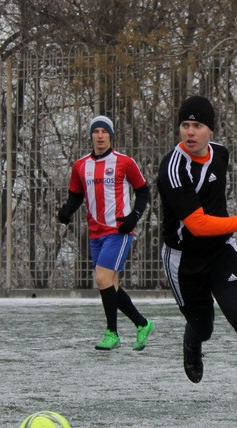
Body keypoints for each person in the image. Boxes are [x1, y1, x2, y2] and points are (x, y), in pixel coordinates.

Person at [155, 96, 237, 422]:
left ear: (211, 129)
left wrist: (231, 229)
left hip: (221, 252)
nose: (190, 132)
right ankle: (192, 339)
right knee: (205, 327)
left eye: (198, 125)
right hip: (184, 261)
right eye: (185, 125)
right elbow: (197, 225)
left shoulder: (220, 155)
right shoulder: (172, 168)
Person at [56, 115, 155, 351]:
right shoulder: (80, 165)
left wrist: (133, 218)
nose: (100, 136)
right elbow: (76, 195)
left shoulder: (124, 162)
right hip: (95, 232)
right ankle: (142, 324)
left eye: (104, 131)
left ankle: (112, 333)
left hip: (118, 231)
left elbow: (143, 192)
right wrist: (66, 211)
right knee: (111, 285)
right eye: (96, 131)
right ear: (91, 135)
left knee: (101, 279)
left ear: (110, 135)